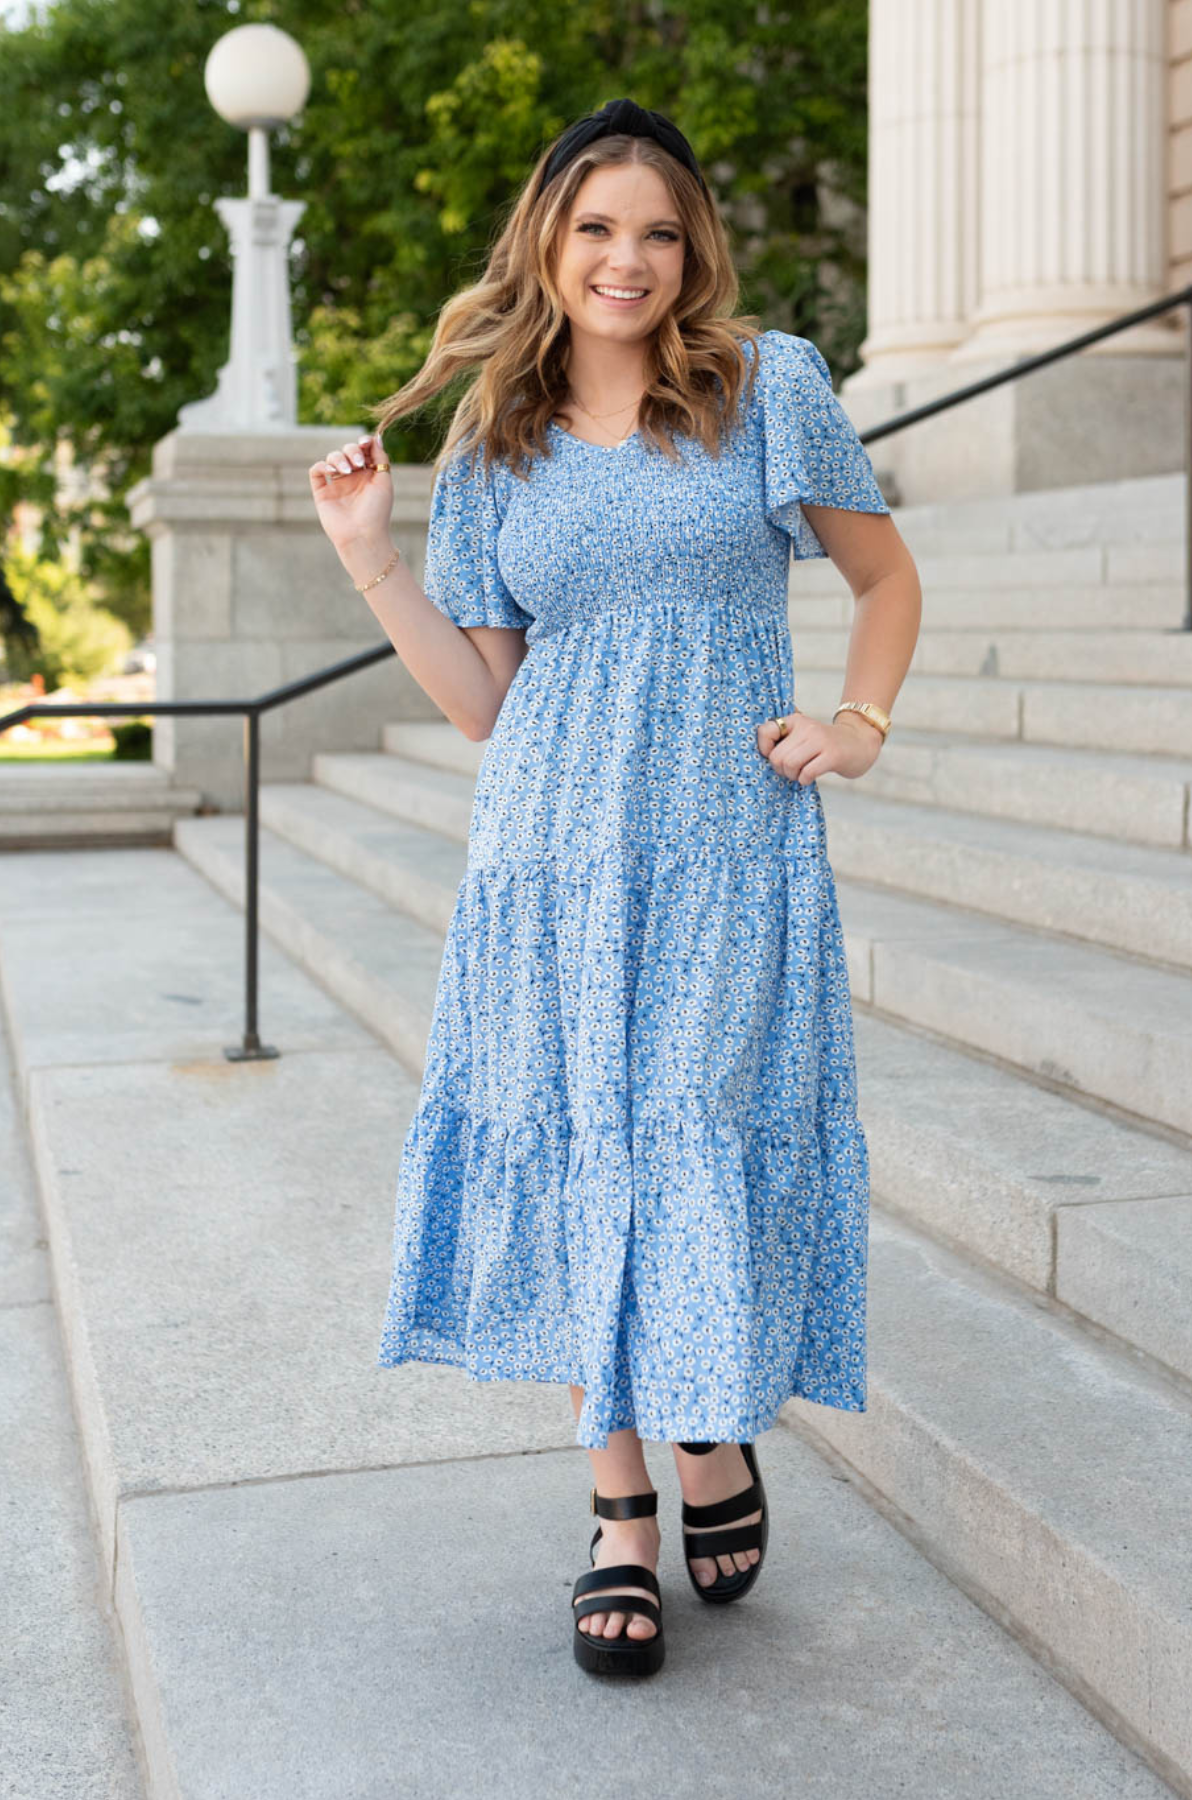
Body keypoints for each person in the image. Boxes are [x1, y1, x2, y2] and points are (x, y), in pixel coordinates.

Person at [309, 96, 922, 1680]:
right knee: (589, 1136)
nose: (626, 259)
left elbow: (881, 576)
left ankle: (707, 1435)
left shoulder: (764, 388)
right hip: (550, 858)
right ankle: (620, 1508)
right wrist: (373, 553)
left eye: (656, 230)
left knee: (689, 1130)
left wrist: (854, 724)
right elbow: (482, 701)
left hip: (727, 840)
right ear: (547, 243)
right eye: (595, 229)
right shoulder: (494, 437)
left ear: (689, 248)